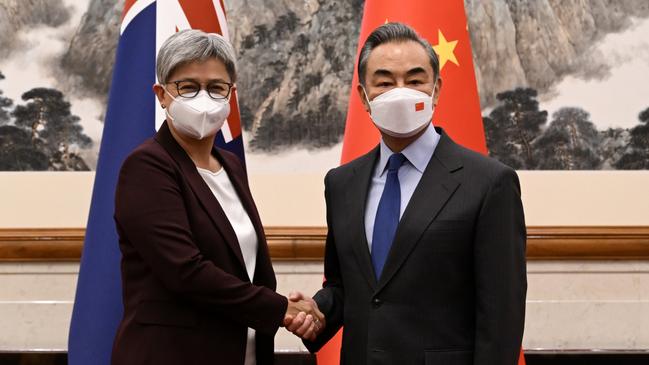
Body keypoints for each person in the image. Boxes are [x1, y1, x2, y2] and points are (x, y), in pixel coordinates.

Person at [288, 22, 526, 364]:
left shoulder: (489, 183)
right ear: (363, 97)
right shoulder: (341, 183)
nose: (401, 92)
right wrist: (317, 311)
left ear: (436, 90)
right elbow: (349, 286)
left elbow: (501, 313)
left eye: (415, 81)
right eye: (384, 82)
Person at [111, 29, 323, 365]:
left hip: (245, 352)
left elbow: (245, 268)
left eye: (216, 87)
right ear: (162, 94)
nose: (203, 97)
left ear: (231, 95)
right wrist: (281, 308)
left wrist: (288, 307)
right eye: (188, 86)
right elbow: (185, 271)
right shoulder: (147, 166)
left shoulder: (231, 166)